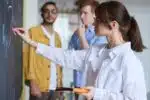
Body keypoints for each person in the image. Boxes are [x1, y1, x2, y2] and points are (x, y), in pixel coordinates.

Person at [13, 1, 147, 100]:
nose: (93, 23)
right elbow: (66, 56)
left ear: (113, 25)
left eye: (98, 20)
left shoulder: (130, 62)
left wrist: (97, 94)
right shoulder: (96, 51)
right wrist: (32, 42)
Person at [22, 1, 63, 100]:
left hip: (55, 88)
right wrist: (32, 82)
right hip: (39, 87)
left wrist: (60, 85)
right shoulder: (33, 32)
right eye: (46, 11)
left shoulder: (57, 37)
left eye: (53, 12)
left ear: (56, 15)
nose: (50, 15)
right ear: (42, 14)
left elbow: (59, 62)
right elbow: (28, 58)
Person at [68, 0, 106, 99]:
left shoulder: (101, 34)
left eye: (85, 13)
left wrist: (81, 37)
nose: (81, 16)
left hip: (92, 87)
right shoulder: (77, 33)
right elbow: (69, 55)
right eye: (80, 13)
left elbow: (91, 58)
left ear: (94, 14)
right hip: (77, 84)